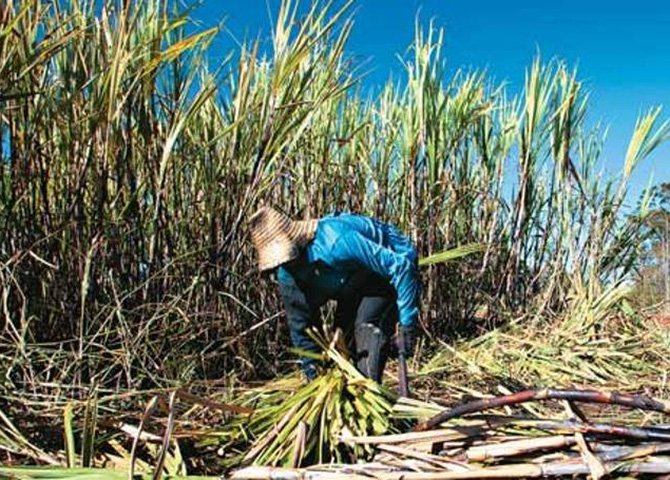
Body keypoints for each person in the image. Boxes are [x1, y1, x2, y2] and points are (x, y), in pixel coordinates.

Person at [248, 206, 420, 382]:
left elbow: (401, 268)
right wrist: (316, 382)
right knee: (343, 343)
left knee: (366, 326)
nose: (286, 267)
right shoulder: (287, 276)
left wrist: (407, 326)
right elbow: (302, 330)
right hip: (351, 286)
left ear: (297, 243)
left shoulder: (337, 242)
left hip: (382, 274)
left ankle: (371, 391)